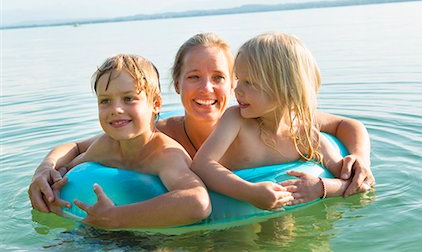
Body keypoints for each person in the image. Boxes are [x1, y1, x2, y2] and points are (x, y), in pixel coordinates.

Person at [29, 33, 374, 216]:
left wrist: (359, 159)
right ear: (176, 84)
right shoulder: (160, 134)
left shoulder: (273, 119)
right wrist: (46, 168)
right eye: (194, 77)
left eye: (220, 77)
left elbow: (345, 125)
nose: (207, 88)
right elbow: (77, 147)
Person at [42, 54, 211, 228]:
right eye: (105, 101)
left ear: (156, 104)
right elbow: (67, 168)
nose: (116, 109)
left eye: (129, 98)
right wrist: (53, 186)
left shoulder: (165, 155)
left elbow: (198, 203)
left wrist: (115, 217)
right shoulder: (106, 146)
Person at [192, 32, 357, 209]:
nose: (237, 89)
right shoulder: (235, 121)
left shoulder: (304, 136)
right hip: (233, 208)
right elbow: (201, 165)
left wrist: (321, 187)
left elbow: (352, 180)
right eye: (239, 79)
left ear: (286, 89)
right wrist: (250, 192)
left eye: (250, 82)